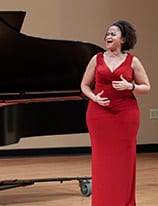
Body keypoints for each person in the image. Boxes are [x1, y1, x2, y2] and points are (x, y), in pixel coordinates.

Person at [80, 20, 150, 205]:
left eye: (113, 34)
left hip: (125, 114)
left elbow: (146, 87)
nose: (108, 36)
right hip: (99, 114)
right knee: (102, 160)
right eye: (107, 34)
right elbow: (84, 85)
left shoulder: (132, 61)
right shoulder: (97, 59)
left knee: (124, 160)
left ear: (123, 39)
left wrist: (131, 85)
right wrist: (94, 98)